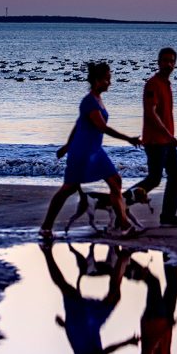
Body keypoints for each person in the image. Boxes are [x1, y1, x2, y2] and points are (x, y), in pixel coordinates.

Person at [39, 61, 141, 240]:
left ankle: (124, 225)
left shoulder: (97, 99)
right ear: (97, 80)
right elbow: (102, 127)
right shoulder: (89, 102)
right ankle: (46, 227)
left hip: (94, 151)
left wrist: (66, 145)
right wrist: (129, 139)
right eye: (107, 79)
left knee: (115, 181)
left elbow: (78, 125)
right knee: (68, 189)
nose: (110, 83)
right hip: (83, 152)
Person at [40, 243, 138, 354]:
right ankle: (47, 252)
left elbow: (102, 353)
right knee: (67, 289)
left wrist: (128, 342)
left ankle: (123, 257)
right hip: (80, 328)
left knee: (110, 295)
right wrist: (65, 326)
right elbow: (79, 348)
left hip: (85, 325)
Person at [128, 47, 177, 227]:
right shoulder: (153, 84)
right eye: (165, 61)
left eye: (172, 61)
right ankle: (120, 203)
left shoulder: (166, 84)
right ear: (158, 62)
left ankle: (168, 216)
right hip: (156, 141)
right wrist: (167, 134)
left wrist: (169, 136)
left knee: (175, 176)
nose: (168, 64)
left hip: (167, 141)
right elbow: (151, 112)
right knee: (154, 179)